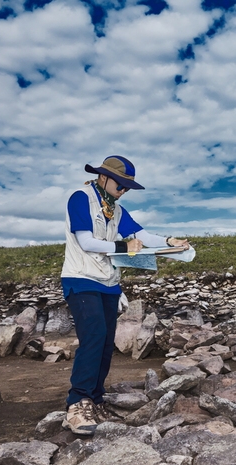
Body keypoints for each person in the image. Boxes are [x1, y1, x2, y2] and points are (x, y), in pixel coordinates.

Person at [61, 155, 189, 435]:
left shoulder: (116, 210)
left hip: (108, 283)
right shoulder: (81, 197)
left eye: (126, 187)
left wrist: (170, 242)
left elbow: (141, 234)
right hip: (81, 279)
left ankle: (94, 400)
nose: (123, 190)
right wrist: (124, 245)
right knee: (93, 338)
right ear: (103, 177)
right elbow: (86, 241)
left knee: (106, 343)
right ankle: (76, 404)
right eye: (120, 185)